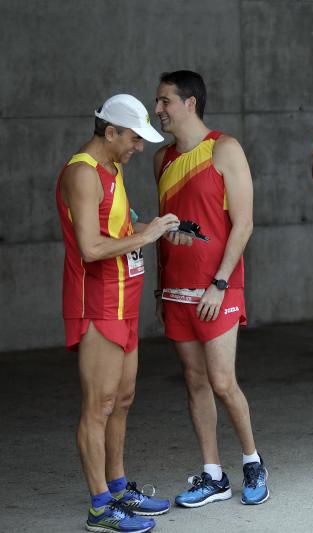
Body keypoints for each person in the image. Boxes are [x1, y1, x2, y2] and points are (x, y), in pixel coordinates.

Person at [57, 94, 180, 532]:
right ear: (110, 132)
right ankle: (99, 507)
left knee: (122, 400)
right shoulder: (82, 174)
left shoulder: (113, 167)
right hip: (97, 302)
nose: (139, 147)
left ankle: (118, 485)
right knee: (99, 405)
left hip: (126, 300)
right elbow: (91, 248)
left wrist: (159, 228)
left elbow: (118, 229)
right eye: (133, 138)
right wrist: (146, 238)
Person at [153, 70, 269, 507]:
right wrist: (161, 290)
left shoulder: (225, 148)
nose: (158, 109)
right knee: (194, 381)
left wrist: (220, 283)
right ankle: (212, 473)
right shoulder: (160, 159)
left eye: (165, 101)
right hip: (176, 291)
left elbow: (244, 223)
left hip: (219, 288)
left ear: (190, 103)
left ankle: (253, 461)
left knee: (222, 381)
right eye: (158, 101)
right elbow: (167, 230)